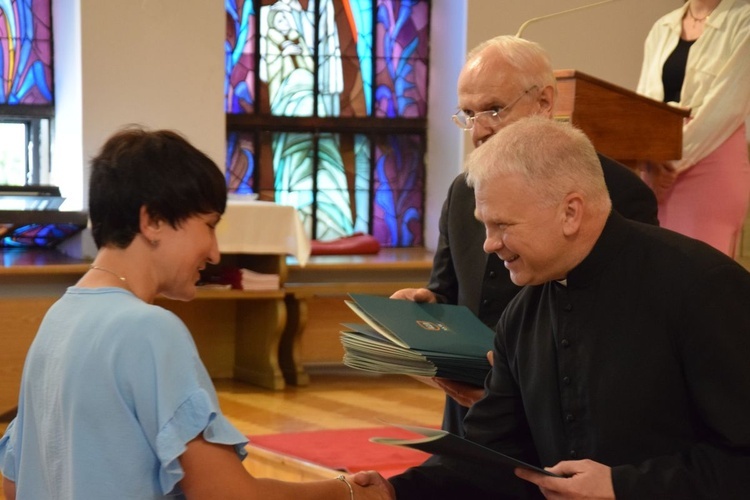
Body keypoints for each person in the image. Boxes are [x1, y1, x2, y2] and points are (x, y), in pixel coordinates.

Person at [0, 127, 394, 500]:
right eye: (209, 225)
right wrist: (345, 491)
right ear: (152, 220)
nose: (215, 252)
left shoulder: (59, 317)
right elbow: (227, 495)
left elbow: (14, 484)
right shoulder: (149, 329)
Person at [386, 115, 750, 499]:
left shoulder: (703, 287)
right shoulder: (522, 315)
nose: (489, 245)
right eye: (484, 226)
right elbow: (488, 457)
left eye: (502, 225)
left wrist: (622, 487)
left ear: (570, 213)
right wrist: (390, 493)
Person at [391, 35, 659, 437]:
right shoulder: (463, 190)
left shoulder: (616, 192)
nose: (479, 130)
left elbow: (627, 324)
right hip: (467, 409)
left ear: (545, 103)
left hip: (558, 418)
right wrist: (427, 306)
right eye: (467, 114)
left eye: (494, 110)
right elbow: (446, 290)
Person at [636, 0, 750, 257]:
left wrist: (670, 156)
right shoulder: (662, 27)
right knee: (656, 267)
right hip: (657, 167)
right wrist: (650, 159)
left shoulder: (744, 20)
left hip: (710, 161)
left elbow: (728, 105)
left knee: (701, 273)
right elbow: (643, 101)